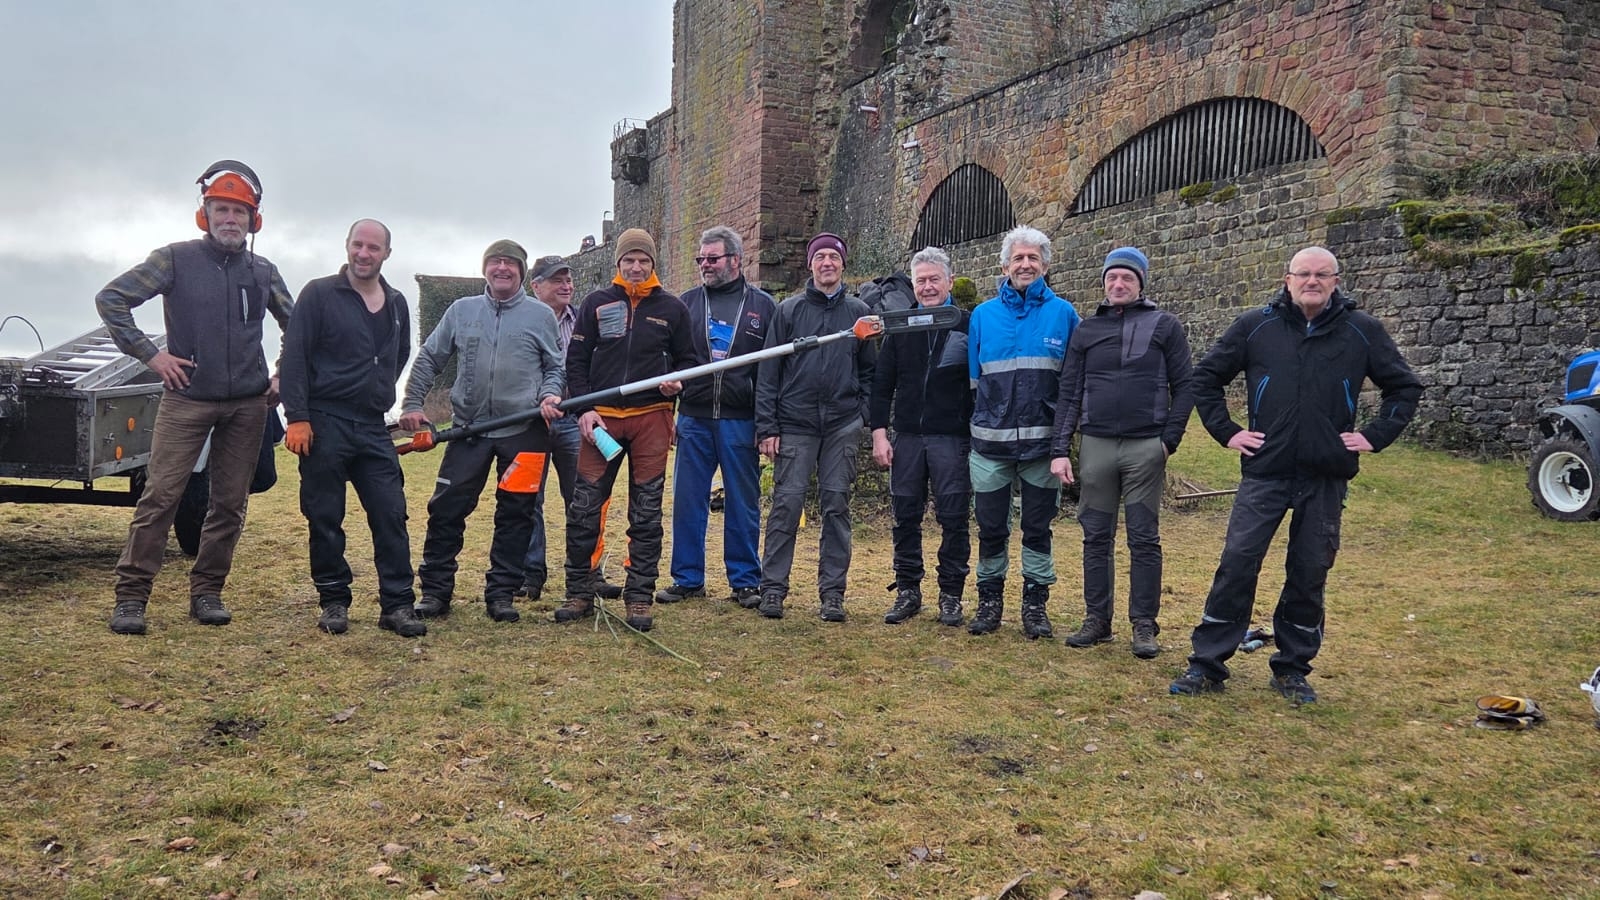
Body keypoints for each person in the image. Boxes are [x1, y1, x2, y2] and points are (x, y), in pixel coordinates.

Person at [1170, 246, 1422, 704]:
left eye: (1322, 275)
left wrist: (1374, 435)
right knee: (1238, 564)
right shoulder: (1256, 327)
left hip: (1325, 476)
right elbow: (1204, 378)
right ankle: (1206, 664)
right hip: (1265, 472)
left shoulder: (1361, 331)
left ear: (1336, 282)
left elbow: (1404, 387)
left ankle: (1291, 668)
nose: (1312, 281)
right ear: (1287, 280)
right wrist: (1227, 432)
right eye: (1303, 274)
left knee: (1309, 572)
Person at [98, 160, 293, 635]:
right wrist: (152, 356)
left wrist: (283, 374)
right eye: (221, 209)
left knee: (229, 504)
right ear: (204, 214)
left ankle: (208, 591)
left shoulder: (263, 270)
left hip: (248, 405)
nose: (230, 219)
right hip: (187, 399)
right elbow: (112, 299)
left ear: (254, 221)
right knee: (160, 496)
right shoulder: (173, 259)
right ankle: (131, 598)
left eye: (239, 212)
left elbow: (298, 326)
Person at [398, 240, 564, 624]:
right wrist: (411, 405)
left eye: (510, 263)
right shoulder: (461, 311)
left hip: (525, 431)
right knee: (446, 510)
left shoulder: (541, 316)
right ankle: (436, 591)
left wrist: (549, 393)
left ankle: (502, 593)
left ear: (522, 272)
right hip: (467, 430)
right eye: (495, 262)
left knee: (517, 514)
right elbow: (429, 358)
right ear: (485, 268)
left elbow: (554, 367)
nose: (502, 268)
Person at [279, 219, 426, 638]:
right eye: (358, 245)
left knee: (391, 513)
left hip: (372, 425)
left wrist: (378, 392)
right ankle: (333, 601)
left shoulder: (396, 302)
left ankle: (397, 605)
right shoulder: (320, 294)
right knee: (325, 515)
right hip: (324, 421)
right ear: (347, 247)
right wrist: (299, 417)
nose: (364, 254)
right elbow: (295, 356)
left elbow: (398, 355)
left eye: (373, 248)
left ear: (386, 254)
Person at [1051, 247, 1194, 658]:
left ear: (1141, 283)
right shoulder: (1086, 330)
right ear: (1103, 283)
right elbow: (1069, 392)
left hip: (1146, 446)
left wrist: (1168, 441)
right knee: (1095, 535)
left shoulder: (1165, 325)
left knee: (1144, 537)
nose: (1118, 285)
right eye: (1111, 278)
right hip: (1096, 445)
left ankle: (1144, 624)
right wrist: (1060, 449)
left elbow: (1186, 386)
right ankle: (1097, 619)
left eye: (1127, 279)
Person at [555, 228, 695, 632]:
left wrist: (677, 382)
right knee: (584, 509)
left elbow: (691, 361)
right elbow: (576, 361)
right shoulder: (597, 304)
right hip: (601, 419)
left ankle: (638, 597)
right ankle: (579, 590)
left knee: (647, 512)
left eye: (643, 260)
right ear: (618, 264)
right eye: (629, 260)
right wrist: (583, 409)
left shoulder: (672, 308)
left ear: (653, 265)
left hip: (652, 416)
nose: (636, 267)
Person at [754, 232, 876, 623]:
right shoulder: (788, 311)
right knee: (786, 506)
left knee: (837, 506)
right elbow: (768, 373)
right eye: (820, 256)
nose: (827, 263)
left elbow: (871, 371)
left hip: (841, 424)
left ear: (843, 264)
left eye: (834, 257)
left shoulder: (859, 313)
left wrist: (862, 414)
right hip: (795, 423)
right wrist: (767, 427)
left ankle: (832, 594)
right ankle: (772, 589)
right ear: (810, 264)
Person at [966, 225, 1080, 638]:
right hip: (990, 448)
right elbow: (974, 382)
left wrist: (1062, 441)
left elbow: (1073, 383)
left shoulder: (1064, 315)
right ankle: (989, 600)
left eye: (1033, 258)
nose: (1026, 264)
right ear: (1004, 265)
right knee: (991, 528)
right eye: (1018, 258)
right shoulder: (982, 316)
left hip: (1042, 450)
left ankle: (1035, 603)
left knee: (1038, 529)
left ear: (1046, 265)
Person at [656, 226, 776, 607]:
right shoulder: (685, 304)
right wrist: (670, 410)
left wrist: (765, 422)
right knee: (688, 501)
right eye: (701, 259)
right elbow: (668, 363)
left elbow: (771, 372)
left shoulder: (763, 306)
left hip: (741, 420)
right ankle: (687, 578)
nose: (705, 265)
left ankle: (744, 581)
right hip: (693, 417)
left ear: (736, 260)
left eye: (712, 258)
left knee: (743, 501)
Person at [868, 246, 972, 626]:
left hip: (952, 437)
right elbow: (882, 384)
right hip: (908, 435)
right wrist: (880, 433)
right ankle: (908, 588)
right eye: (920, 281)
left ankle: (951, 594)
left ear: (949, 280)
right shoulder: (900, 326)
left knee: (954, 517)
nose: (927, 287)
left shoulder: (968, 324)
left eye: (933, 279)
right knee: (905, 516)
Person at [519, 254, 622, 602]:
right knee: (528, 498)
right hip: (530, 422)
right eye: (557, 280)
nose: (566, 286)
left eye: (568, 279)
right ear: (536, 287)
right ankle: (530, 575)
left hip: (573, 421)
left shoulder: (584, 319)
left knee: (583, 499)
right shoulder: (523, 319)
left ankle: (588, 572)